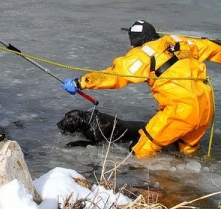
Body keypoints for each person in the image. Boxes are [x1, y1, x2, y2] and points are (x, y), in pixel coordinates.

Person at [61, 20, 221, 158]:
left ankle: (146, 189)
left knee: (142, 151)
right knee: (185, 153)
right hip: (206, 108)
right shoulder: (180, 41)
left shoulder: (143, 54)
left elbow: (115, 75)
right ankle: (183, 188)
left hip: (180, 110)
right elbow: (213, 47)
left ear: (135, 43)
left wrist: (80, 82)